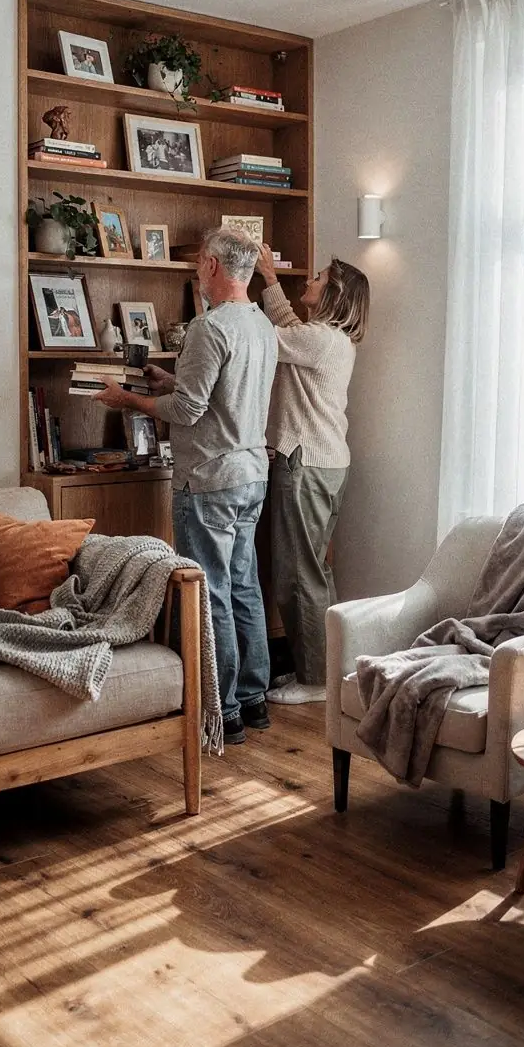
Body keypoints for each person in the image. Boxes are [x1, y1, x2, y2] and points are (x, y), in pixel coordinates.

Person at [93, 228, 278, 744]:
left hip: (209, 478)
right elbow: (222, 398)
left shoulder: (208, 327)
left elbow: (189, 411)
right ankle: (255, 698)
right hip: (252, 474)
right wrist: (170, 382)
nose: (198, 271)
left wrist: (127, 400)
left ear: (216, 267)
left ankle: (225, 710)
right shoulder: (262, 326)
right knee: (244, 586)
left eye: (200, 263)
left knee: (211, 590)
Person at [255, 243, 369, 704]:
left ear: (334, 294)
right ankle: (321, 668)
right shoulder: (323, 338)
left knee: (298, 574)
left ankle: (315, 680)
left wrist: (243, 291)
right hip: (322, 462)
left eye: (319, 277)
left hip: (304, 463)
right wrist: (268, 278)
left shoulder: (319, 340)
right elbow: (287, 324)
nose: (310, 279)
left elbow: (263, 337)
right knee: (313, 571)